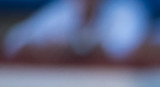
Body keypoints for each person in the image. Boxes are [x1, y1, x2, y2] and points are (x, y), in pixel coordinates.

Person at [4, 0, 149, 63]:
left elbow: (122, 49)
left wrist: (74, 47)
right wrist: (41, 49)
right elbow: (14, 40)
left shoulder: (124, 10)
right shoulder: (64, 10)